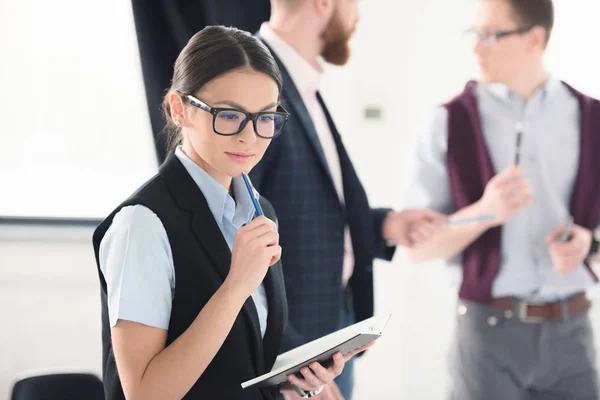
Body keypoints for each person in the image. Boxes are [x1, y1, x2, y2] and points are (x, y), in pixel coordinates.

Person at [92, 26, 368, 400]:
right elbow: (145, 394)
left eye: (266, 118)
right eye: (229, 116)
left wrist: (300, 376)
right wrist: (236, 285)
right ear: (179, 109)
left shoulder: (258, 210)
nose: (250, 137)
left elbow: (244, 357)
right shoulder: (142, 225)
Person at [403, 0, 600, 398]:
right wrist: (484, 213)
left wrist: (589, 244)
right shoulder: (447, 122)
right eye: (474, 34)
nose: (476, 48)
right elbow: (417, 249)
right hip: (486, 338)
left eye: (491, 35)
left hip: (573, 336)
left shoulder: (594, 120)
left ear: (535, 39)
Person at [250, 1, 446, 398]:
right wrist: (291, 365)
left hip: (328, 339)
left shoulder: (301, 84)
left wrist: (386, 225)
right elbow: (227, 234)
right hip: (291, 352)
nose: (358, 15)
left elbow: (304, 213)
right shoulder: (252, 83)